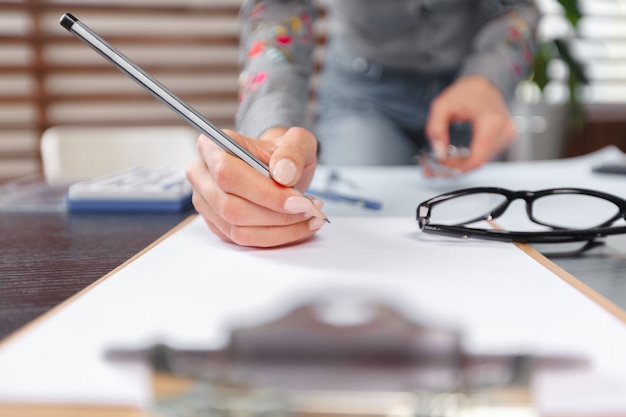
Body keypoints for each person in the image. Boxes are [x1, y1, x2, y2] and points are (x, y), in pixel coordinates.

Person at [186, 0, 540, 248]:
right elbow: (280, 4)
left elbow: (518, 6)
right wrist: (274, 130)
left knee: (479, 220)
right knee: (354, 217)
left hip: (471, 91)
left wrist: (487, 79)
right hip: (361, 88)